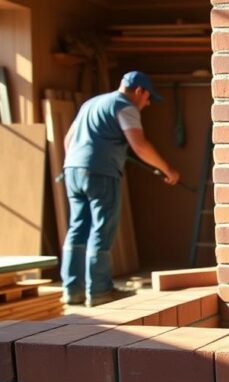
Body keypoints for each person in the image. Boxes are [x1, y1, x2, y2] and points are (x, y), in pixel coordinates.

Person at [62, 71, 180, 307]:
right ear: (139, 91)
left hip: (72, 169)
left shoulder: (91, 104)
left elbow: (68, 139)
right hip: (101, 173)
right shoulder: (125, 106)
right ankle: (99, 291)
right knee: (101, 229)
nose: (147, 104)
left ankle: (72, 290)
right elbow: (139, 144)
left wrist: (80, 162)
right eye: (148, 98)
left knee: (77, 227)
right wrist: (168, 170)